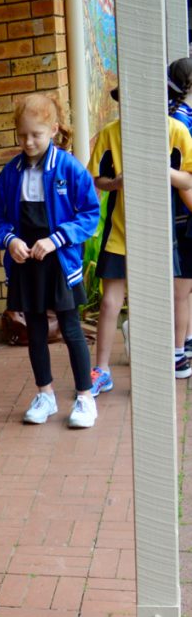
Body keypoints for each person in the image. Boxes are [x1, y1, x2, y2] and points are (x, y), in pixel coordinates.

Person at [0, 92, 99, 427]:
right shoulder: (10, 173)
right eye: (22, 135)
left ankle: (84, 398)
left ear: (53, 130)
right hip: (26, 264)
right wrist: (10, 241)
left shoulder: (69, 168)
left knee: (70, 328)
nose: (28, 141)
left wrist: (56, 239)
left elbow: (89, 214)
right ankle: (45, 395)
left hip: (59, 261)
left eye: (35, 134)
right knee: (35, 330)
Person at [86, 78, 192, 390]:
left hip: (161, 233)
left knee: (166, 299)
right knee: (109, 303)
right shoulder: (110, 134)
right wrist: (115, 183)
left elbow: (186, 181)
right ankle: (101, 370)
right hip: (121, 232)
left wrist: (164, 171)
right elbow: (97, 179)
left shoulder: (176, 131)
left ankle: (171, 357)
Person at [167, 58, 192, 371]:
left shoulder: (180, 119)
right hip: (184, 210)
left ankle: (180, 350)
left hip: (185, 211)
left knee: (182, 288)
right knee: (183, 287)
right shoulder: (180, 119)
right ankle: (182, 345)